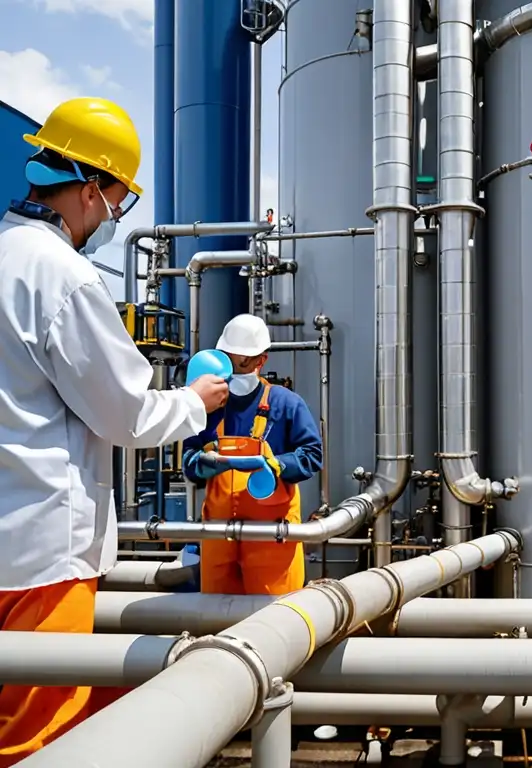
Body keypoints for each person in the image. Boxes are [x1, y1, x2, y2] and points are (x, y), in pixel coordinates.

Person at [0, 97, 228, 765]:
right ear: (92, 188)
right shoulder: (62, 277)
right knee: (38, 742)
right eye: (119, 201)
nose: (113, 218)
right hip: (42, 553)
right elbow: (126, 414)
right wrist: (194, 400)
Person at [182, 313, 323, 595]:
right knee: (213, 616)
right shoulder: (207, 404)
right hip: (218, 536)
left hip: (272, 538)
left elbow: (311, 455)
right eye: (231, 358)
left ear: (262, 360)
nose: (237, 367)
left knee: (273, 622)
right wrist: (201, 464)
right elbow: (188, 457)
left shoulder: (286, 404)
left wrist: (277, 465)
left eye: (245, 360)